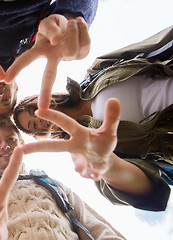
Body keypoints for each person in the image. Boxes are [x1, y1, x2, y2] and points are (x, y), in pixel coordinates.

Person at [15, 25, 173, 211]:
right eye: (34, 125)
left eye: (34, 110)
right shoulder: (85, 149)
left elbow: (154, 47)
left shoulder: (96, 71)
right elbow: (152, 194)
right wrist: (108, 165)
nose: (41, 119)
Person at [0, 118, 126, 240]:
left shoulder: (52, 183)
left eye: (10, 139)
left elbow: (93, 225)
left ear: (21, 143)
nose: (4, 145)